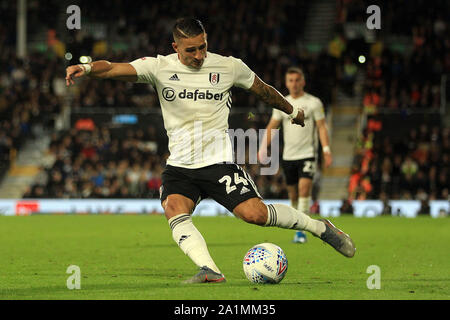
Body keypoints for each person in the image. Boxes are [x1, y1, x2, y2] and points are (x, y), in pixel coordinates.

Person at [65, 18, 355, 283]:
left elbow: (263, 89)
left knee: (255, 214)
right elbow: (114, 68)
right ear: (175, 47)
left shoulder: (228, 66)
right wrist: (87, 68)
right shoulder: (159, 67)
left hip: (218, 162)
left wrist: (292, 111)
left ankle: (320, 228)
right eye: (191, 50)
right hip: (180, 165)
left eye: (203, 47)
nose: (199, 55)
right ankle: (210, 270)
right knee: (174, 208)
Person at [258, 67, 333, 243]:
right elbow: (272, 126)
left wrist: (326, 150)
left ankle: (302, 232)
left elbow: (322, 127)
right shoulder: (282, 103)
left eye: (297, 80)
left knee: (304, 190)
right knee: (293, 196)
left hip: (307, 154)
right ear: (286, 83)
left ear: (303, 82)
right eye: (290, 80)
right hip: (288, 156)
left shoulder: (314, 103)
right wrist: (263, 148)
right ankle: (299, 223)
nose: (294, 84)